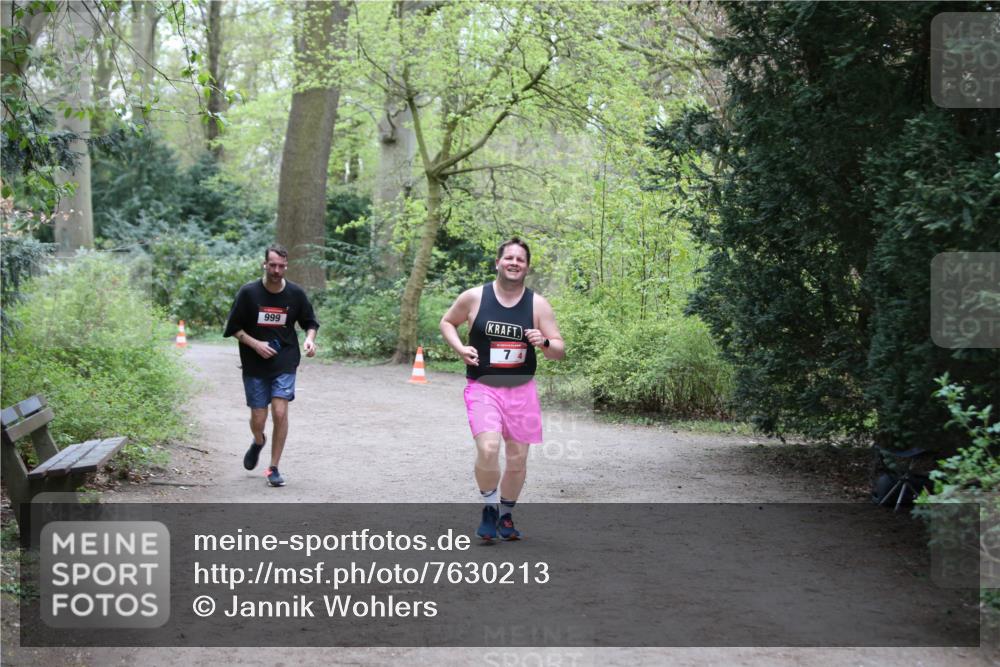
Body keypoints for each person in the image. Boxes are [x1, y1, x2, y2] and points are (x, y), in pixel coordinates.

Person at [440, 237, 565, 540]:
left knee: (518, 457)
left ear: (527, 267)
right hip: (483, 387)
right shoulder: (474, 297)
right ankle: (489, 507)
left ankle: (506, 515)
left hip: (522, 390)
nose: (514, 263)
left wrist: (544, 342)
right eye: (508, 258)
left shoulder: (537, 304)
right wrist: (460, 349)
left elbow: (558, 349)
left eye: (520, 260)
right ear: (497, 262)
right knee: (489, 447)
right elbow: (447, 322)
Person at [223, 243, 319, 487]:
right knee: (258, 417)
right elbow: (233, 328)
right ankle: (258, 441)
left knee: (279, 411)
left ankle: (273, 467)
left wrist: (309, 340)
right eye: (273, 265)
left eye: (281, 266)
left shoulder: (295, 294)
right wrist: (256, 344)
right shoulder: (249, 293)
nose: (277, 270)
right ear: (264, 264)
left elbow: (310, 322)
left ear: (286, 266)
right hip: (254, 363)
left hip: (285, 360)